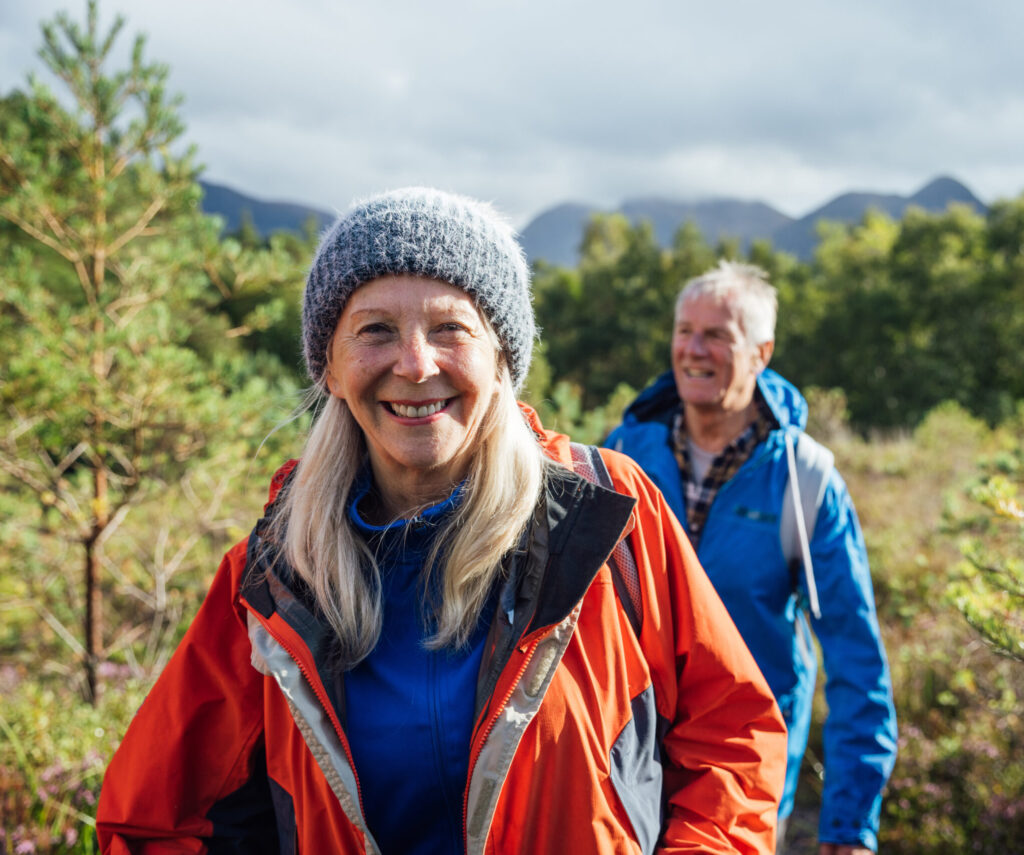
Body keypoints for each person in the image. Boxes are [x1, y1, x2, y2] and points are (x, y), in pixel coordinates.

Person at [96, 189, 787, 854]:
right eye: (375, 330)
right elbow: (157, 819)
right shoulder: (275, 576)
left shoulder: (607, 518)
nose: (415, 363)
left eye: (450, 328)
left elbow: (732, 732)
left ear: (501, 360)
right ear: (331, 368)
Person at [605, 261, 898, 855]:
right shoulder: (619, 457)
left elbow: (855, 657)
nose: (693, 349)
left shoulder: (805, 480)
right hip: (624, 769)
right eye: (685, 330)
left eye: (717, 335)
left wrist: (849, 824)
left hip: (745, 774)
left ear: (761, 352)